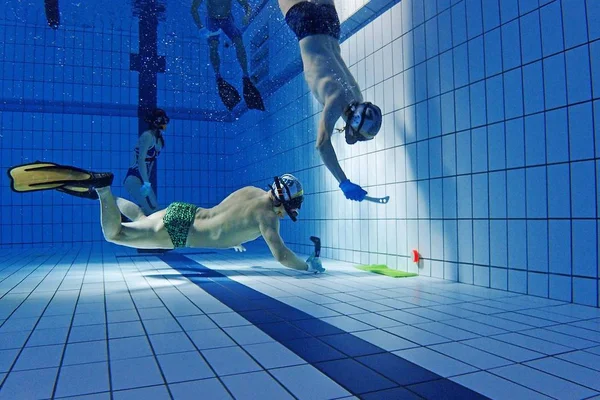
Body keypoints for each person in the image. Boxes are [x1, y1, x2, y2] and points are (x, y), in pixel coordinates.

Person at [7, 163, 324, 273]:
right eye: (288, 209)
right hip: (179, 230)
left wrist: (236, 240)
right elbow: (282, 256)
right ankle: (104, 193)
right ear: (284, 205)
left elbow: (227, 221)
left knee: (143, 217)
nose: (285, 214)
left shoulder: (252, 191)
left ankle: (100, 197)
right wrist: (309, 266)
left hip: (182, 211)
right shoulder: (268, 218)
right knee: (114, 235)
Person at [278, 0, 383, 202]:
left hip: (330, 25)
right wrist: (344, 181)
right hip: (306, 25)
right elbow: (322, 144)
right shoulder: (336, 101)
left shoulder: (356, 96)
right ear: (352, 125)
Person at [191, 0, 265, 111]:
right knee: (213, 45)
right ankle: (218, 77)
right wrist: (201, 27)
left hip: (227, 20)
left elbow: (247, 6)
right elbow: (193, 9)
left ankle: (245, 76)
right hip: (212, 21)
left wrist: (247, 16)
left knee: (239, 42)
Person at [124, 108, 168, 215]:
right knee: (152, 210)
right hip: (133, 178)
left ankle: (131, 222)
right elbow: (141, 160)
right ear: (157, 122)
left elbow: (151, 163)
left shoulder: (158, 140)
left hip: (143, 179)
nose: (165, 123)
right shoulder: (147, 136)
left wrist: (146, 182)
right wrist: (146, 183)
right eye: (163, 120)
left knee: (154, 208)